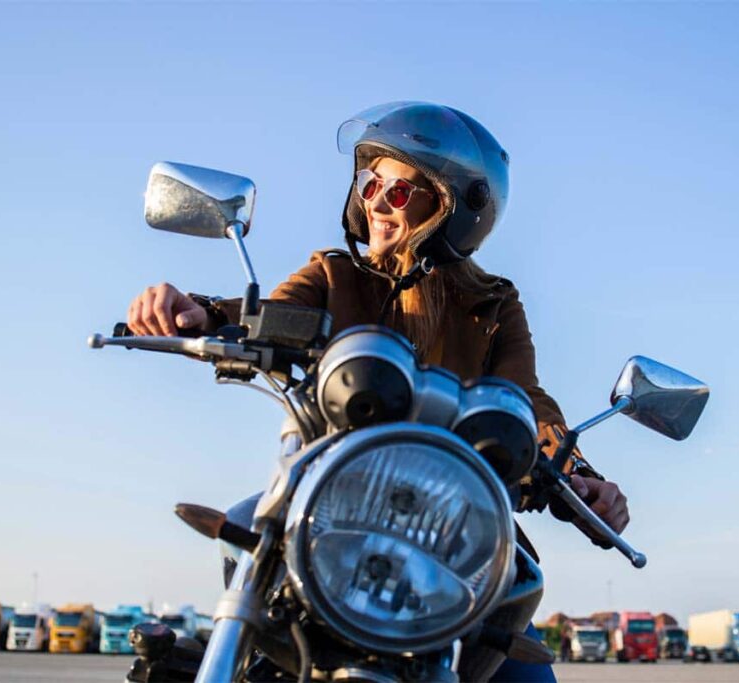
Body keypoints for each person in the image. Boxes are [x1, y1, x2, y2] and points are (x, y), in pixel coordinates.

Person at [125, 102, 629, 681]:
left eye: (397, 191)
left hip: (454, 530)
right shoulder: (335, 275)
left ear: (451, 207)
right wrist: (199, 313)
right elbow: (272, 315)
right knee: (245, 534)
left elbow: (527, 401)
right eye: (369, 184)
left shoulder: (493, 304)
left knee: (521, 644)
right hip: (326, 506)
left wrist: (581, 476)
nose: (375, 202)